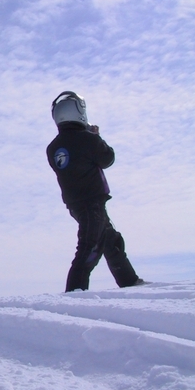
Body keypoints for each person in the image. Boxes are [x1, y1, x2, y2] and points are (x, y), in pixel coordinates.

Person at [46, 91, 143, 292]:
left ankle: (130, 281)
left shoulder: (53, 148)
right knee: (89, 249)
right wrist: (95, 136)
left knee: (110, 240)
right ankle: (74, 296)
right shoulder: (87, 139)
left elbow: (74, 157)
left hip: (76, 205)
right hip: (92, 204)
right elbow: (107, 159)